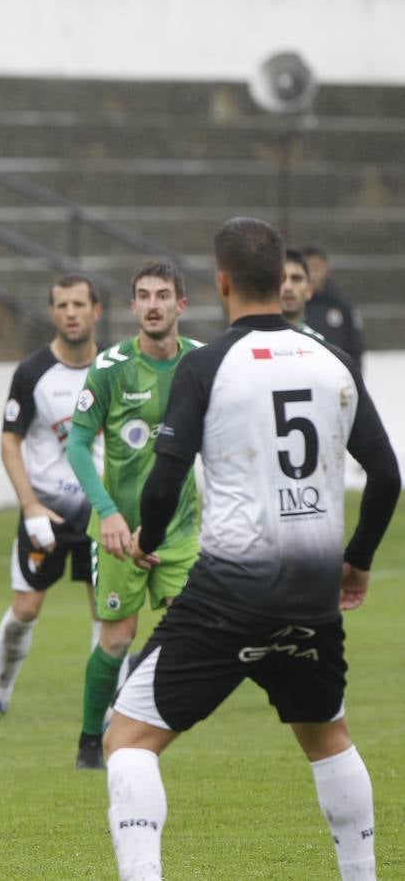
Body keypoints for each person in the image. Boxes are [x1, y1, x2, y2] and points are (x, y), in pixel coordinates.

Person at [105, 217, 400, 881]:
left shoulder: (206, 365)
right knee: (328, 739)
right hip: (313, 593)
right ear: (283, 279)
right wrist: (358, 559)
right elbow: (387, 476)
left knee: (127, 739)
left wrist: (149, 540)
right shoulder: (332, 361)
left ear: (222, 283)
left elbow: (163, 484)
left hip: (229, 594)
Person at [65, 262, 202, 770]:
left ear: (180, 305)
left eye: (162, 295)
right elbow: (78, 445)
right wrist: (108, 515)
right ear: (132, 306)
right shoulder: (110, 367)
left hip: (180, 531)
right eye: (143, 295)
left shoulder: (202, 365)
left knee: (192, 630)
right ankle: (87, 740)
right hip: (119, 532)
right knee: (117, 638)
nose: (152, 304)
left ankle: (136, 718)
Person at [0, 274, 103, 742]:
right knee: (24, 610)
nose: (71, 312)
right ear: (53, 312)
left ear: (96, 311)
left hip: (104, 515)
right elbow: (10, 441)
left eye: (79, 304)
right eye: (62, 304)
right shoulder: (32, 372)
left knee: (107, 611)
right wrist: (30, 505)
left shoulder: (116, 370)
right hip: (46, 511)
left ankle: (102, 713)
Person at [302, 246, 365, 369]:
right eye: (307, 269)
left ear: (326, 270)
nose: (311, 275)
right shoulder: (290, 307)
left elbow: (355, 349)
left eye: (316, 268)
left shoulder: (343, 307)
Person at [279, 249, 321, 336]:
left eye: (296, 278)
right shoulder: (251, 341)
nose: (288, 287)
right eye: (281, 279)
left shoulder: (319, 345)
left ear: (309, 290)